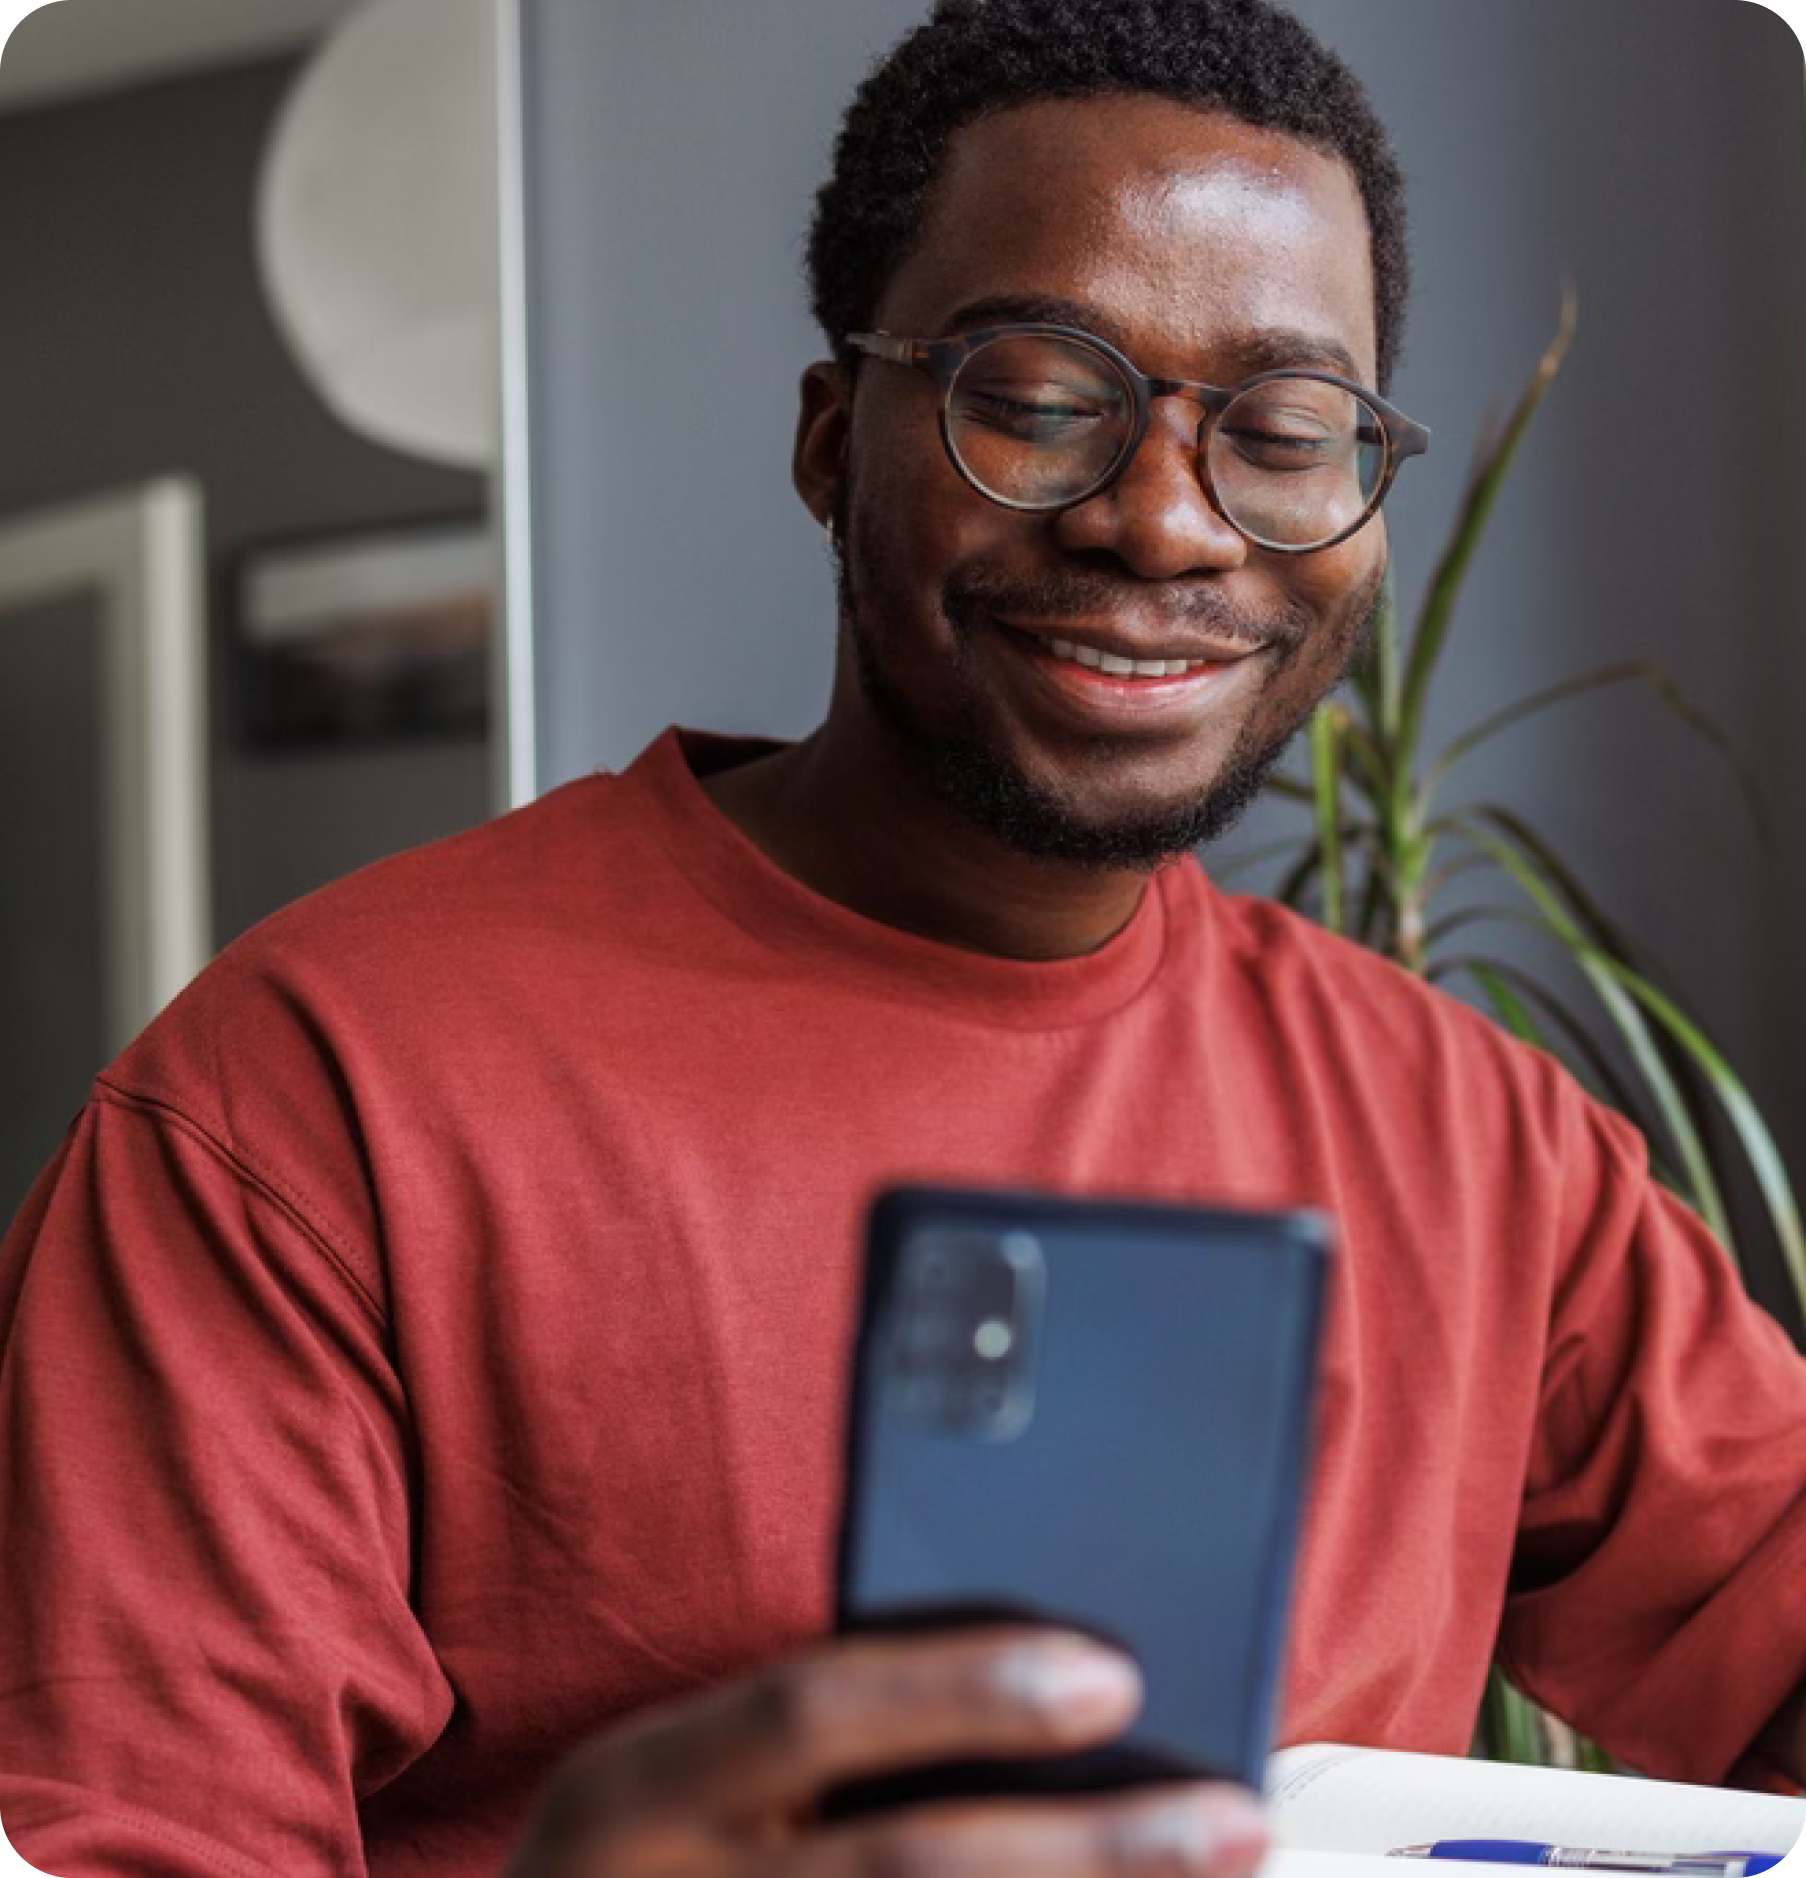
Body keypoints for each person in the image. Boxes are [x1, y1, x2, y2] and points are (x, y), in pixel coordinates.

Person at [5, 0, 1806, 1872]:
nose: (1167, 524)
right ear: (826, 441)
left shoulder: (1478, 1145)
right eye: (1036, 398)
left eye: (1279, 431)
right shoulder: (310, 1101)